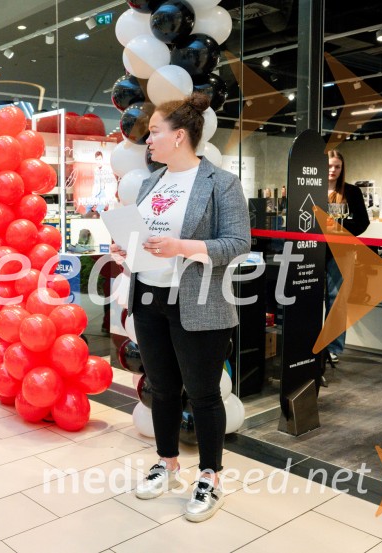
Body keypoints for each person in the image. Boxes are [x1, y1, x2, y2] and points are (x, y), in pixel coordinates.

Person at [110, 93, 250, 522]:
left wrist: (182, 247)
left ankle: (210, 478)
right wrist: (125, 247)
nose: (147, 140)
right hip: (149, 298)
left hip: (199, 302)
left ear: (180, 135)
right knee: (163, 388)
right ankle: (167, 464)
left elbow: (238, 244)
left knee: (204, 394)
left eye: (154, 132)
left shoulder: (220, 183)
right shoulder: (152, 182)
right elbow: (146, 238)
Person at [324, 149, 369, 367]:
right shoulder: (311, 189)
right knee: (309, 297)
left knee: (336, 300)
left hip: (341, 251)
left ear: (342, 168)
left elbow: (362, 222)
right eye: (329, 165)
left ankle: (333, 348)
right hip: (313, 251)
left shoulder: (351, 192)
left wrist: (338, 228)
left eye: (337, 166)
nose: (332, 170)